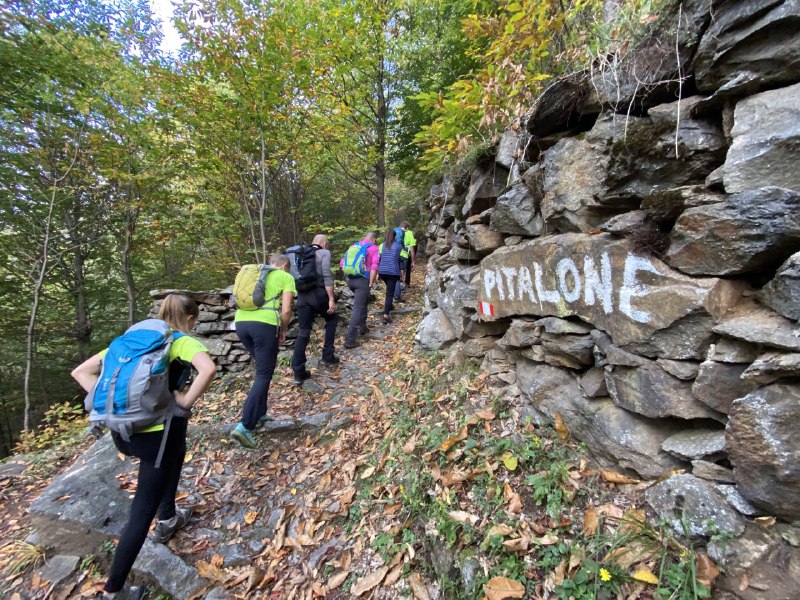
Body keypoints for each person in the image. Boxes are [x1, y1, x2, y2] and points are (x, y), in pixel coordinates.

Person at [71, 294, 216, 600]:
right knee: (140, 511)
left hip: (123, 432)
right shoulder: (179, 341)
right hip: (158, 435)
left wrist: (112, 403)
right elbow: (208, 369)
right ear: (189, 319)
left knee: (176, 456)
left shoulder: (129, 342)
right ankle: (114, 590)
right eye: (195, 321)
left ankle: (168, 518)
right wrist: (185, 401)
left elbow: (80, 372)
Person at [231, 253, 296, 448]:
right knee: (263, 374)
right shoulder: (286, 277)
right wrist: (283, 329)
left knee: (262, 370)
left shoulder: (257, 274)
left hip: (241, 323)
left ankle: (260, 414)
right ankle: (245, 426)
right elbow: (286, 310)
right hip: (265, 326)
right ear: (284, 265)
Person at [291, 234, 339, 386]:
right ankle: (328, 355)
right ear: (324, 243)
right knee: (332, 319)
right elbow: (326, 276)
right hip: (318, 296)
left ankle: (298, 372)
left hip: (302, 297)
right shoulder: (324, 252)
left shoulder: (299, 254)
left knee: (303, 332)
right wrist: (331, 299)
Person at [342, 231, 379, 349]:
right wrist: (371, 281)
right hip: (362, 281)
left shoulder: (354, 246)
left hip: (350, 279)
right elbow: (374, 266)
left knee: (362, 301)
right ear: (373, 239)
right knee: (357, 308)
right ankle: (350, 339)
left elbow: (342, 263)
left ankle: (363, 327)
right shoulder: (374, 248)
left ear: (365, 238)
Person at [377, 228, 403, 324]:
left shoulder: (381, 245)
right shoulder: (398, 246)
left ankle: (390, 305)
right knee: (389, 293)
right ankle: (386, 315)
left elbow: (379, 258)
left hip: (382, 271)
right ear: (395, 236)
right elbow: (403, 257)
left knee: (389, 288)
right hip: (392, 272)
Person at [394, 221, 416, 303]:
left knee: (397, 271)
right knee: (403, 270)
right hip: (404, 254)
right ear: (407, 228)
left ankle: (396, 288)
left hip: (394, 254)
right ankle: (401, 286)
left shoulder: (394, 231)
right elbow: (412, 249)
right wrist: (413, 261)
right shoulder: (409, 233)